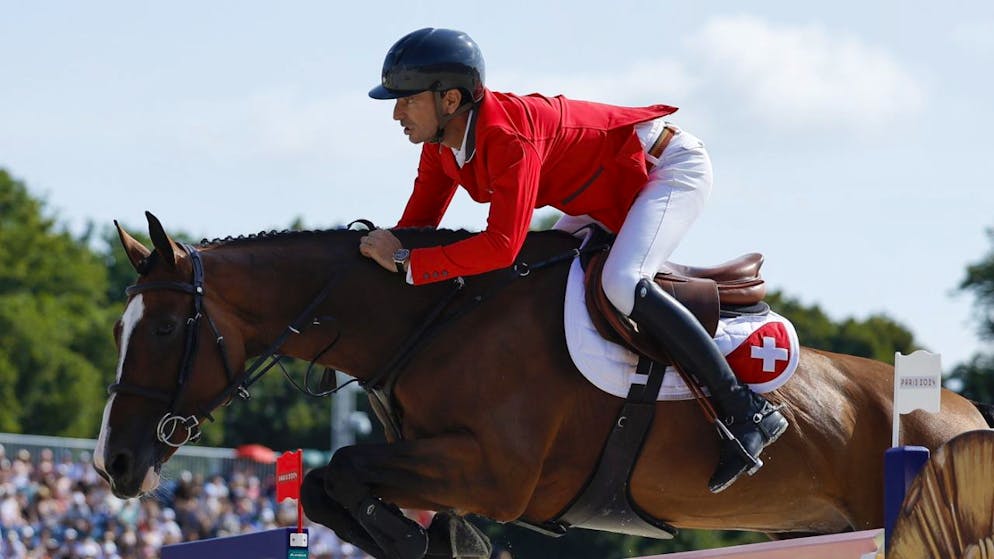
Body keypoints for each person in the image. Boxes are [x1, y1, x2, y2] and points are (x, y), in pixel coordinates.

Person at [358, 27, 788, 493]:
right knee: (541, 284)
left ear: (449, 100)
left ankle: (746, 411)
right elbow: (415, 228)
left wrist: (405, 262)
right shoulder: (440, 147)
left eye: (406, 100)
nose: (396, 112)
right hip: (598, 192)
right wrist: (364, 265)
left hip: (664, 169)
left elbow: (501, 244)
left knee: (622, 282)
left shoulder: (507, 136)